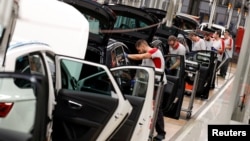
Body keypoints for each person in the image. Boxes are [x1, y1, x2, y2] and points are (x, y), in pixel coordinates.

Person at [125, 39, 167, 141]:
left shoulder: (155, 51)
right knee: (148, 106)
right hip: (149, 84)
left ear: (143, 45)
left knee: (156, 107)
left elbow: (141, 56)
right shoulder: (146, 57)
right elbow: (143, 69)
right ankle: (147, 129)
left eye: (139, 49)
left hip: (158, 84)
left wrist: (126, 56)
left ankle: (161, 133)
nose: (139, 52)